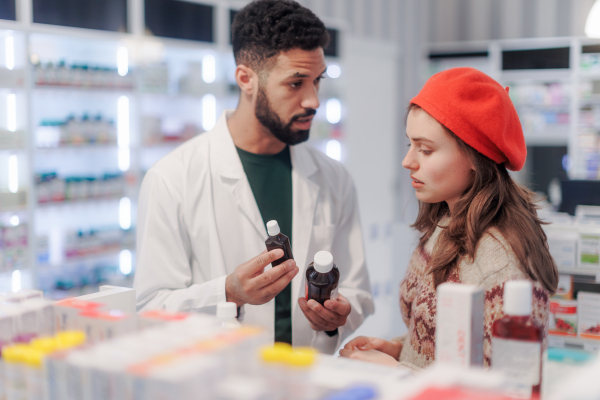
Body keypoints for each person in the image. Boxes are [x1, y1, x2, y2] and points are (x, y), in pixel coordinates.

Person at [133, 0, 373, 354]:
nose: (313, 100)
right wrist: (228, 292)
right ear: (246, 79)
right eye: (296, 83)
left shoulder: (333, 178)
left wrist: (341, 314)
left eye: (317, 81)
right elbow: (150, 308)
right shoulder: (172, 178)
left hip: (308, 378)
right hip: (217, 380)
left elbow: (357, 289)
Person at [340, 68, 558, 368]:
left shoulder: (501, 264)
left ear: (474, 156)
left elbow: (506, 386)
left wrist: (398, 372)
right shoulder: (445, 222)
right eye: (410, 144)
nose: (408, 161)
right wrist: (397, 348)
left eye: (426, 150)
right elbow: (448, 347)